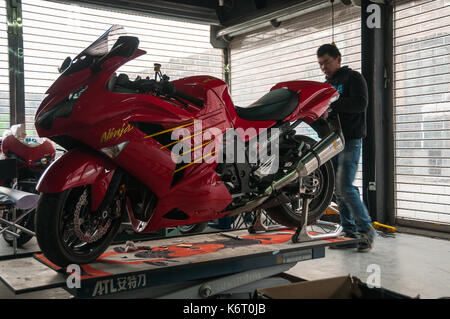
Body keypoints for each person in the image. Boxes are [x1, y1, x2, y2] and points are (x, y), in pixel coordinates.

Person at [316, 43, 376, 252]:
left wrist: (332, 104)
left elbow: (361, 104)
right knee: (339, 187)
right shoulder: (326, 85)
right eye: (321, 64)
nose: (324, 67)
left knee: (345, 186)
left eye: (327, 62)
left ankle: (366, 231)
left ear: (338, 59)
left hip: (351, 139)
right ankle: (349, 231)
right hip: (333, 141)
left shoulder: (353, 78)